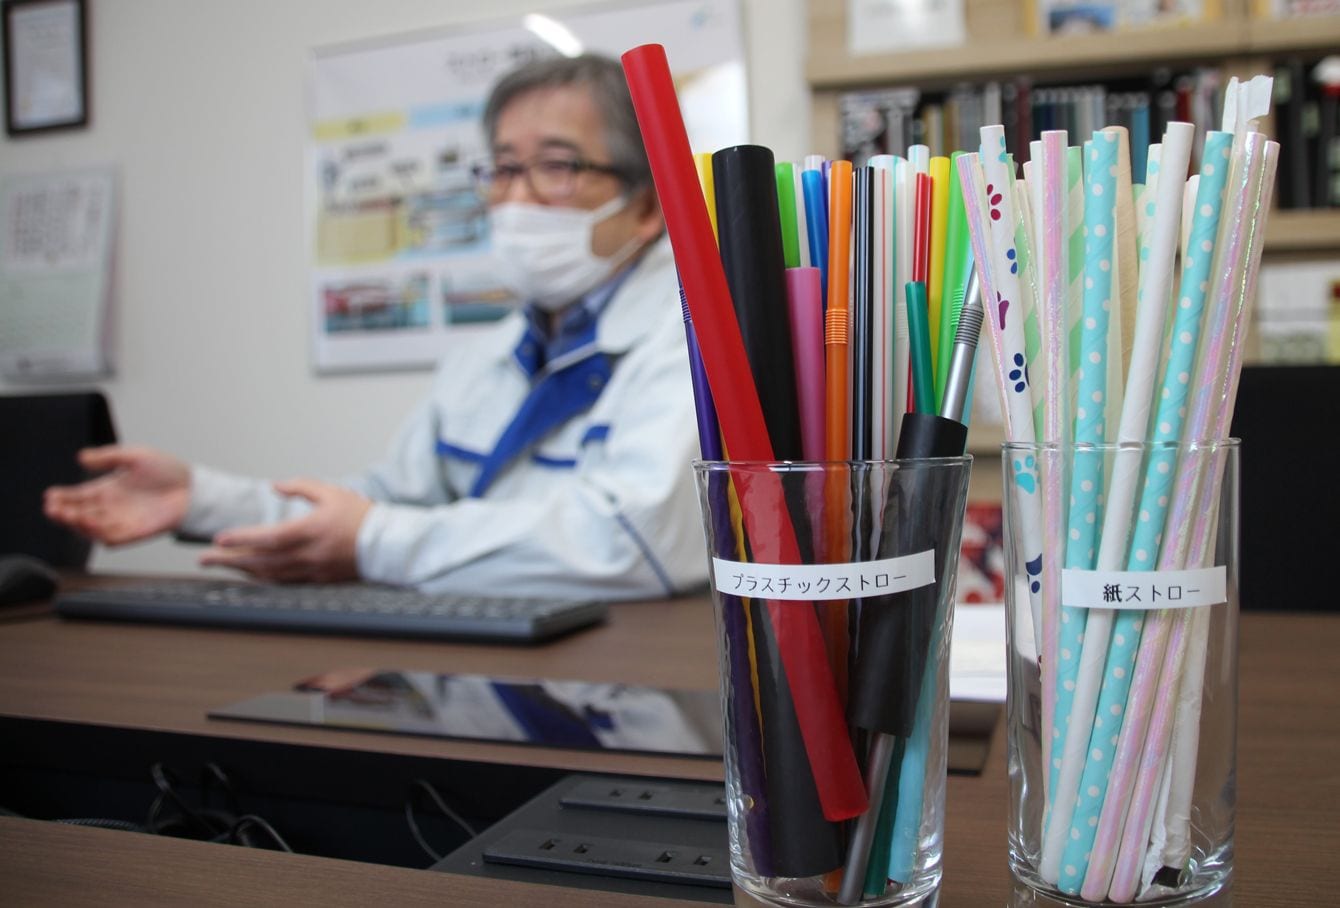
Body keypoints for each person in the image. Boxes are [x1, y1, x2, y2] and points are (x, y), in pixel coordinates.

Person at [45, 54, 706, 601]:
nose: (515, 199)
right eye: (503, 169)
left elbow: (632, 542)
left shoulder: (695, 340)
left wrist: (373, 540)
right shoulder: (487, 356)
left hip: (630, 681)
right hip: (481, 662)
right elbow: (383, 505)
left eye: (557, 167)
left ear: (647, 206)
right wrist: (201, 499)